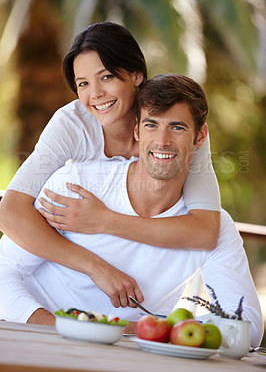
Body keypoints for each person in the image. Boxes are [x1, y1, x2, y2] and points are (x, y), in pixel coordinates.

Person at [0, 73, 263, 348]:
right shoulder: (76, 185)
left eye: (177, 127)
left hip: (127, 357)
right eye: (152, 125)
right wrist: (61, 328)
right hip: (33, 342)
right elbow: (4, 269)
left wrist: (149, 331)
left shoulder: (213, 228)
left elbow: (247, 326)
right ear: (137, 131)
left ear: (200, 137)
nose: (162, 141)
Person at [0, 22, 221, 308]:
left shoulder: (175, 128)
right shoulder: (72, 124)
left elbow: (205, 230)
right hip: (61, 269)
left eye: (106, 77)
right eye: (83, 84)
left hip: (135, 280)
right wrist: (96, 267)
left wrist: (105, 220)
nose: (95, 94)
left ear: (136, 75)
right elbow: (11, 210)